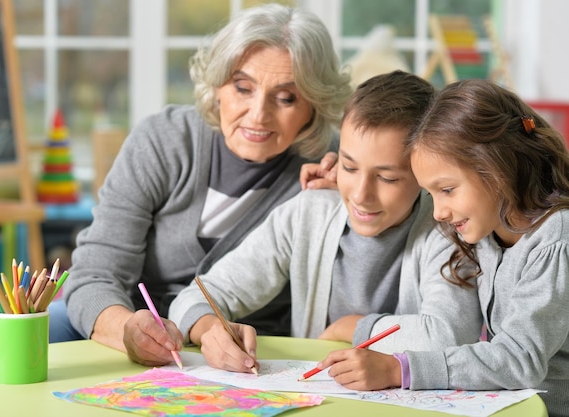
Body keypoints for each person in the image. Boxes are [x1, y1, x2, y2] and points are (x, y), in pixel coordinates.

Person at [52, 4, 352, 367]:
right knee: (27, 334)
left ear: (314, 107)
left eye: (286, 98)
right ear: (217, 87)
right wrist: (127, 329)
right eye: (243, 88)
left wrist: (352, 206)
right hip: (133, 337)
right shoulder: (164, 140)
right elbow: (94, 275)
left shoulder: (337, 168)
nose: (258, 114)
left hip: (251, 355)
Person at [168, 70, 482, 374]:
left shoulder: (447, 230)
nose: (361, 195)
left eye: (387, 178)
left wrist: (352, 328)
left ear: (425, 174)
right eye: (349, 167)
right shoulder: (308, 215)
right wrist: (209, 329)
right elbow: (195, 296)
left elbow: (449, 337)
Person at [316, 79, 569, 417]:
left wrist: (400, 369)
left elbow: (518, 360)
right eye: (431, 194)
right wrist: (343, 180)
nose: (437, 212)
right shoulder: (489, 229)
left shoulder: (555, 240)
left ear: (497, 169)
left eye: (447, 190)